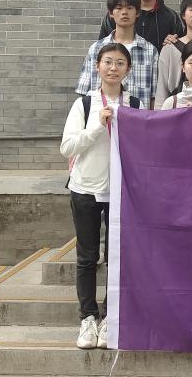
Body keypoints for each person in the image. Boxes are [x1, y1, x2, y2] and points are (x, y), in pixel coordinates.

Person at [61, 43, 143, 350]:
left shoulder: (134, 103)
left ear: (128, 69)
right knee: (87, 257)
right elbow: (67, 147)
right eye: (108, 61)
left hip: (121, 192)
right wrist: (97, 125)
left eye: (120, 62)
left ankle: (110, 317)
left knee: (116, 257)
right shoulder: (84, 104)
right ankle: (87, 318)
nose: (113, 67)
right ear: (97, 66)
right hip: (85, 189)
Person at [76, 0, 158, 109]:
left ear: (137, 12)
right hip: (100, 116)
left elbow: (154, 96)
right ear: (111, 13)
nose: (124, 12)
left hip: (137, 118)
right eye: (119, 8)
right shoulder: (96, 49)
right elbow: (83, 91)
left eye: (129, 8)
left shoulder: (150, 51)